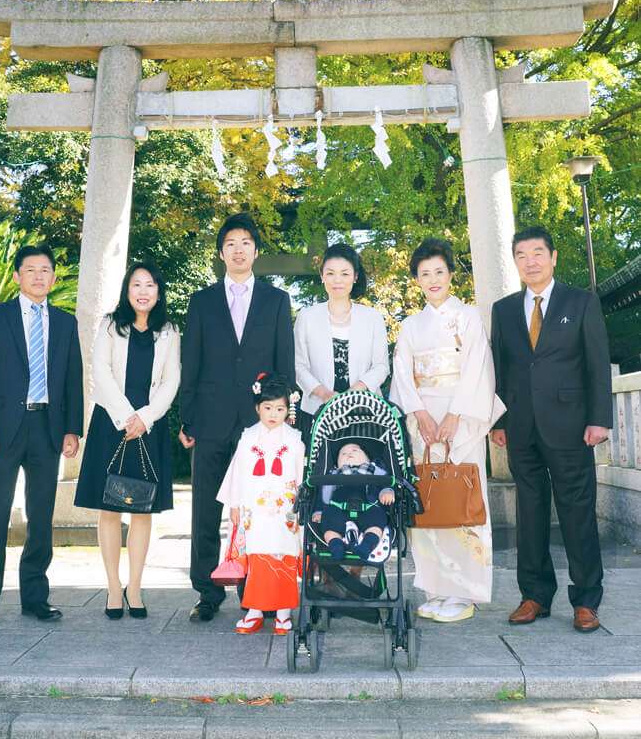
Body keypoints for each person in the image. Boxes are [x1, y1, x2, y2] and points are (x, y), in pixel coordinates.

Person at [490, 226, 613, 633]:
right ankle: (535, 595)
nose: (531, 261)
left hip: (572, 427)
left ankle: (586, 600)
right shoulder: (504, 309)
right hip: (521, 428)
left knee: (577, 512)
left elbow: (596, 364)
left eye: (538, 252)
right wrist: (501, 421)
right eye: (522, 255)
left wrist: (600, 419)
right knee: (530, 513)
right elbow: (502, 370)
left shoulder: (581, 302)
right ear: (515, 262)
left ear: (553, 256)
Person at [0, 243, 83, 628]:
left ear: (53, 277)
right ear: (17, 275)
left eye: (45, 270)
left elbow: (73, 379)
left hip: (46, 429)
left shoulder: (65, 323)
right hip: (2, 431)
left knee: (41, 516)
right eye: (31, 270)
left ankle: (35, 598)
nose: (39, 276)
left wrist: (72, 429)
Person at [180, 212, 296, 622]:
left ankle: (256, 592)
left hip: (258, 427)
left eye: (246, 242)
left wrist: (283, 416)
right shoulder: (201, 301)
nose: (239, 249)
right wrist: (187, 418)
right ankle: (207, 593)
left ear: (256, 251)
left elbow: (285, 365)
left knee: (257, 510)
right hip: (210, 421)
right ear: (221, 252)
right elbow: (189, 362)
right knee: (205, 509)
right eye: (231, 243)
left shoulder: (277, 301)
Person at [390, 237, 505, 624]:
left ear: (451, 274)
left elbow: (477, 369)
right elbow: (402, 375)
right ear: (417, 280)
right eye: (425, 274)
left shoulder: (469, 317)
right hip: (423, 423)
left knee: (462, 495)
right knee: (429, 497)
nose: (433, 279)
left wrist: (455, 416)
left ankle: (465, 592)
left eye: (439, 271)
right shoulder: (410, 326)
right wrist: (420, 414)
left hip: (461, 420)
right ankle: (436, 588)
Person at [74, 262, 180, 619]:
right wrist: (125, 416)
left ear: (158, 292)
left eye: (150, 284)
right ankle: (113, 587)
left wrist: (144, 418)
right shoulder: (109, 325)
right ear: (127, 290)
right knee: (109, 508)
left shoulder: (168, 331)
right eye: (137, 284)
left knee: (142, 509)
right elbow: (99, 371)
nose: (143, 291)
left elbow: (171, 381)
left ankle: (135, 587)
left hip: (149, 427)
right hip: (111, 423)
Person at [217, 372, 305, 634]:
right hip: (253, 510)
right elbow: (236, 473)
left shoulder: (294, 440)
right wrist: (234, 504)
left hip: (284, 511)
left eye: (279, 408)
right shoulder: (247, 437)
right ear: (257, 407)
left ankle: (283, 613)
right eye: (267, 408)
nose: (273, 414)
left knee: (283, 556)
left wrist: (301, 507)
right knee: (256, 559)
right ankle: (254, 611)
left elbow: (301, 476)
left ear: (288, 409)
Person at [294, 243, 389, 442]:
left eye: (345, 274)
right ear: (322, 275)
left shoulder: (372, 317)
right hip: (317, 411)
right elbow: (298, 366)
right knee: (319, 469)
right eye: (330, 273)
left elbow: (381, 367)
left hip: (365, 411)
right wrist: (326, 394)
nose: (337, 280)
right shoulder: (307, 317)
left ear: (355, 277)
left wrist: (352, 394)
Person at [313, 442, 394, 561]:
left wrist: (386, 491)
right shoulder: (335, 473)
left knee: (378, 520)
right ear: (338, 463)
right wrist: (319, 511)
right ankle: (336, 545)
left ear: (367, 458)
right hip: (339, 509)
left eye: (355, 451)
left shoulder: (375, 470)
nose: (348, 454)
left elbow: (386, 482)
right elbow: (324, 495)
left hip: (368, 508)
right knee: (328, 524)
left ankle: (366, 546)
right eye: (343, 454)